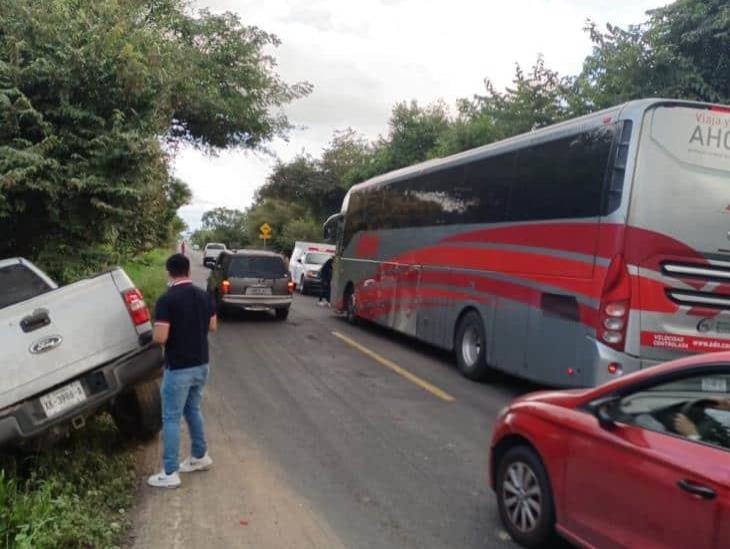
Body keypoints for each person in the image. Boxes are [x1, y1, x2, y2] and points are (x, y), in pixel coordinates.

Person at [147, 253, 217, 488]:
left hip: (178, 368)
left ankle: (169, 472)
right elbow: (213, 326)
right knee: (193, 409)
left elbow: (161, 337)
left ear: (169, 272)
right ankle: (199, 456)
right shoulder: (204, 296)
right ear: (187, 270)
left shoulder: (167, 300)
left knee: (171, 418)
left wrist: (153, 333)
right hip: (202, 364)